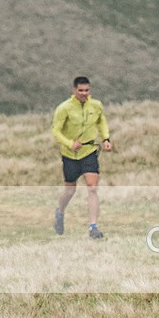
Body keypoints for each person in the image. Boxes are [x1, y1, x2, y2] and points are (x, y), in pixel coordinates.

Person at [51, 76, 113, 239]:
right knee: (70, 190)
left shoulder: (96, 105)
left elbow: (101, 122)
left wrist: (106, 138)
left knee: (92, 187)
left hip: (89, 151)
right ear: (74, 90)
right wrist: (70, 143)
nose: (84, 93)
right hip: (70, 154)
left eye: (87, 90)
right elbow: (56, 131)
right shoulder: (64, 108)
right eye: (81, 90)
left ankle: (93, 227)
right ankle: (60, 212)